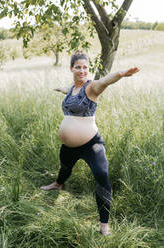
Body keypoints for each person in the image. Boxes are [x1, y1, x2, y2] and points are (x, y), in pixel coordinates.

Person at [40, 51, 139, 236]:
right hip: (69, 146)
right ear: (72, 68)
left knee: (102, 176)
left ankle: (104, 225)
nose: (82, 70)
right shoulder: (72, 89)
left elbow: (105, 81)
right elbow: (67, 89)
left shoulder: (92, 87)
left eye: (85, 67)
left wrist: (120, 74)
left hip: (91, 144)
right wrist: (59, 89)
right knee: (65, 167)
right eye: (78, 67)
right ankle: (58, 184)